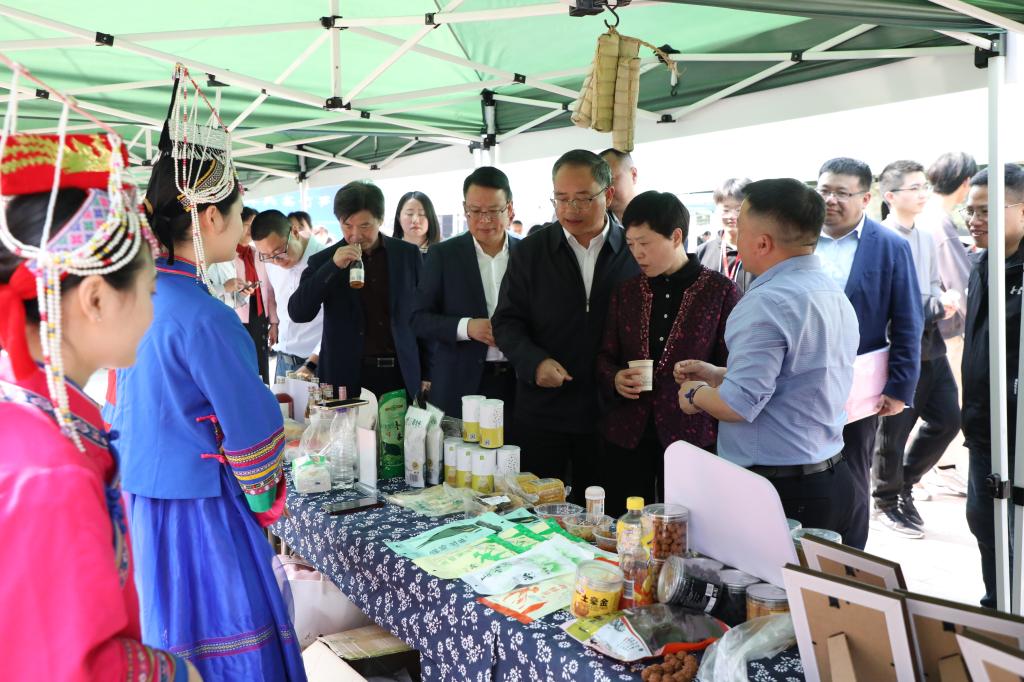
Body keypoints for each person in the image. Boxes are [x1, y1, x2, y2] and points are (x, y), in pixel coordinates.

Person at [0, 132, 200, 681]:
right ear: (95, 298)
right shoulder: (52, 469)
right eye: (150, 292)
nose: (153, 312)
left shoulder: (33, 417)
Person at [108, 149, 304, 679]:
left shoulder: (138, 297)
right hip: (201, 513)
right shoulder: (205, 315)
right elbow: (252, 428)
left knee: (164, 635)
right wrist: (263, 499)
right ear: (210, 217)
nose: (243, 229)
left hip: (138, 504)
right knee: (229, 644)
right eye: (239, 214)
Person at [677, 178, 860, 539]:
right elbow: (798, 376)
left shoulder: (765, 302)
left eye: (741, 228)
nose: (734, 235)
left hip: (780, 490)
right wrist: (719, 374)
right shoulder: (830, 290)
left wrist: (695, 393)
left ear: (762, 243)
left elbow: (736, 406)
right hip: (831, 476)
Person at [493, 149, 639, 500]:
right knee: (539, 512)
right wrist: (534, 362)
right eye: (561, 198)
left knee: (604, 513)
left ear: (608, 195)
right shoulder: (531, 252)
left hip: (611, 412)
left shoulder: (632, 250)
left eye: (583, 198)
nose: (571, 209)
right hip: (544, 411)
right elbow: (506, 322)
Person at [596, 191, 739, 516]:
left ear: (676, 236)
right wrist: (615, 378)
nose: (637, 253)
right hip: (628, 431)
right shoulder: (627, 292)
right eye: (631, 244)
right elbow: (604, 356)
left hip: (692, 433)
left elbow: (733, 366)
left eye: (645, 243)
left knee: (690, 525)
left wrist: (706, 374)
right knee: (626, 521)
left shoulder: (719, 291)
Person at [814, 157, 923, 550]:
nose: (830, 200)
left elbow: (908, 320)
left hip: (858, 387)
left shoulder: (889, 246)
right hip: (799, 379)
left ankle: (850, 555)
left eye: (842, 193)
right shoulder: (798, 239)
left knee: (853, 471)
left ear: (865, 198)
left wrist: (899, 388)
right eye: (824, 190)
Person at [873, 160, 960, 537]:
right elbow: (892, 303)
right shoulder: (880, 238)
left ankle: (904, 484)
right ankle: (885, 501)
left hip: (930, 342)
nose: (923, 193)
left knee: (948, 420)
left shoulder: (924, 236)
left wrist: (941, 299)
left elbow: (929, 286)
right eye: (915, 187)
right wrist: (937, 304)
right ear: (890, 196)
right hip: (896, 346)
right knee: (892, 432)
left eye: (925, 186)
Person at [289, 181, 423, 400]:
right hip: (345, 376)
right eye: (347, 225)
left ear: (380, 219)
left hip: (400, 372)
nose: (355, 234)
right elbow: (298, 312)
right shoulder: (323, 260)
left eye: (365, 226)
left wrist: (427, 373)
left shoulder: (407, 255)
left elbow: (423, 314)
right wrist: (332, 267)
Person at [962, 164, 1024, 609]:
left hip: (1019, 435)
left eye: (987, 210)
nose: (974, 220)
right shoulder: (982, 263)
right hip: (984, 429)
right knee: (986, 527)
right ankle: (997, 613)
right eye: (970, 210)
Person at [412, 166, 521, 419]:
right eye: (476, 211)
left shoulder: (528, 253)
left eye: (493, 211)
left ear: (510, 209)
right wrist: (467, 327)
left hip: (519, 381)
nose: (485, 219)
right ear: (465, 209)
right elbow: (418, 319)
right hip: (460, 384)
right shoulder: (444, 255)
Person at [251, 209, 325, 381]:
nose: (276, 261)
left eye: (280, 251)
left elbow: (337, 321)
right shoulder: (270, 261)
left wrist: (312, 363)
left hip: (317, 364)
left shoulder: (325, 260)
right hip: (283, 361)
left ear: (295, 232)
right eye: (267, 256)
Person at [208, 206, 277, 383]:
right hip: (236, 317)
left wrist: (274, 321)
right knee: (243, 364)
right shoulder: (224, 256)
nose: (251, 230)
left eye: (255, 226)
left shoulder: (259, 253)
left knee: (261, 362)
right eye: (248, 225)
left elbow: (269, 289)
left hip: (259, 313)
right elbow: (212, 290)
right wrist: (228, 288)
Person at [697, 177, 755, 294]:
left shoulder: (763, 253)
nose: (732, 216)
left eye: (739, 210)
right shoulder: (701, 253)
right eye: (726, 210)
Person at [600, 148, 639, 223]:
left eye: (610, 179)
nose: (604, 189)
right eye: (599, 183)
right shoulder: (595, 224)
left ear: (633, 175)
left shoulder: (658, 214)